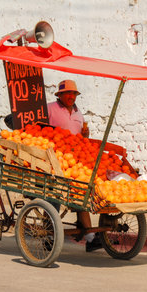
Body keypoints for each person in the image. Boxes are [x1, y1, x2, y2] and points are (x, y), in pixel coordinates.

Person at [48, 79, 102, 252]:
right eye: (68, 94)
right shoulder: (50, 109)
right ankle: (48, 235)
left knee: (81, 194)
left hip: (74, 162)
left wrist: (86, 135)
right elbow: (38, 128)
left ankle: (90, 238)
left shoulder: (79, 114)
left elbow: (81, 139)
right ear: (60, 95)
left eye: (74, 94)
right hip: (55, 160)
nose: (71, 97)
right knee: (54, 197)